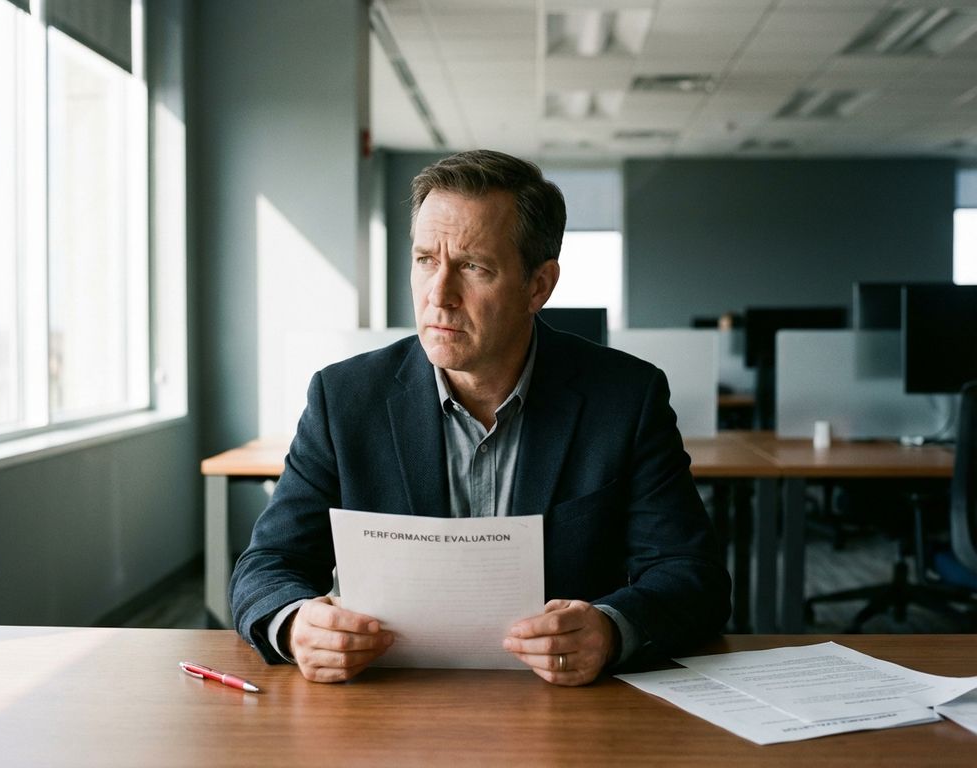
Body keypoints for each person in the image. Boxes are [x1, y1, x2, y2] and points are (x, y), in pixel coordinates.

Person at [229, 149, 731, 685]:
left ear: (538, 285)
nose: (438, 296)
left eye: (472, 266)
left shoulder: (625, 398)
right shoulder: (345, 397)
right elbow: (265, 566)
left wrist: (610, 629)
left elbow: (691, 576)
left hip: (567, 710)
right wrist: (295, 624)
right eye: (425, 260)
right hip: (388, 704)